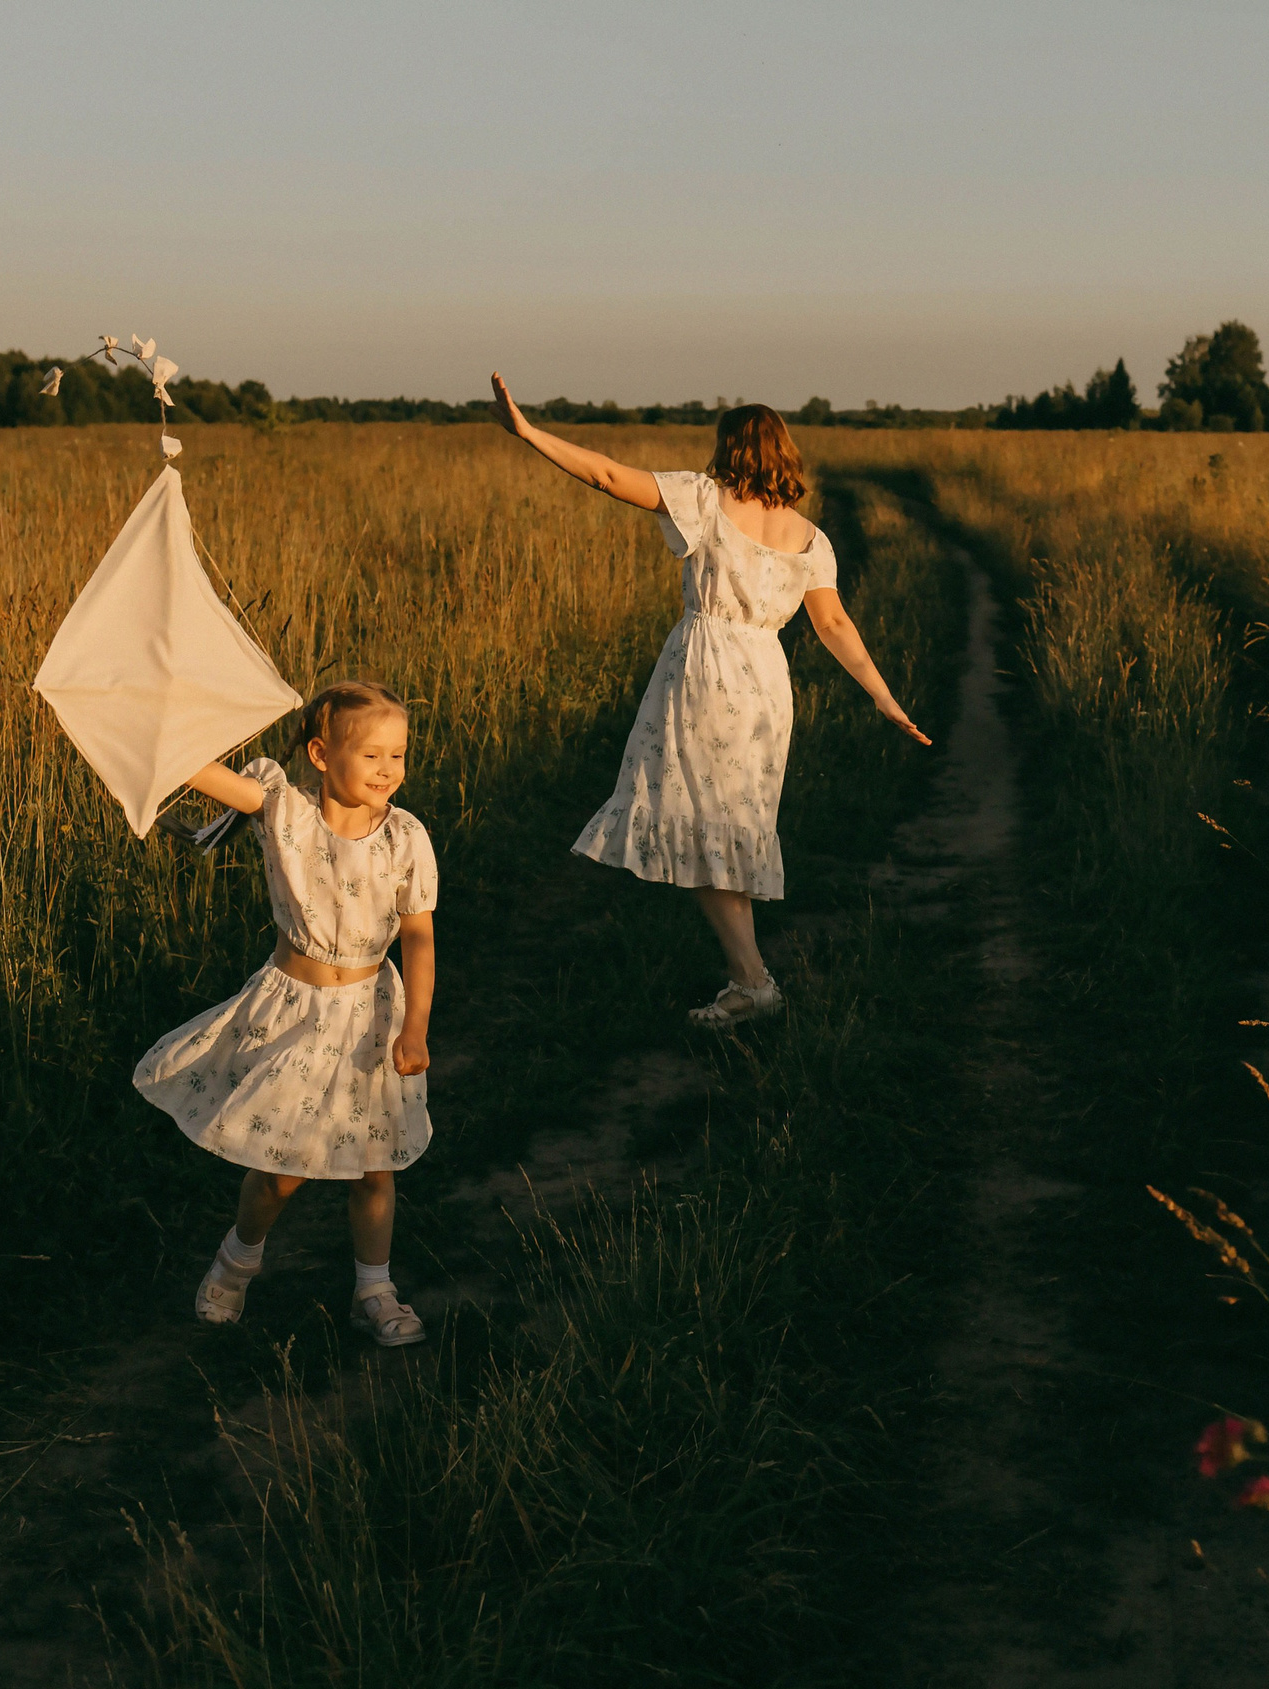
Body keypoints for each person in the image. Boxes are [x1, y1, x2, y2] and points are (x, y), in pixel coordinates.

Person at [488, 376, 930, 1028]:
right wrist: (884, 697)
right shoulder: (812, 539)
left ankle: (752, 983)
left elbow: (607, 475)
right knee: (725, 826)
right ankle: (748, 979)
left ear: (730, 449)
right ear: (783, 452)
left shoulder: (705, 499)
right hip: (766, 684)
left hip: (705, 673)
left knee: (697, 824)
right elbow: (834, 624)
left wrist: (529, 433)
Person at [132, 680, 438, 1342]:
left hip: (372, 1018)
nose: (388, 770)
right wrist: (157, 702)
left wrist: (414, 1027)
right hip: (297, 1014)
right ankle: (237, 1261)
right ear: (322, 754)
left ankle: (375, 1290)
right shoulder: (283, 810)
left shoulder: (406, 836)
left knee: (375, 1164)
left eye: (398, 755)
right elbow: (192, 767)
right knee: (281, 1170)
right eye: (371, 755)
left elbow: (418, 935)